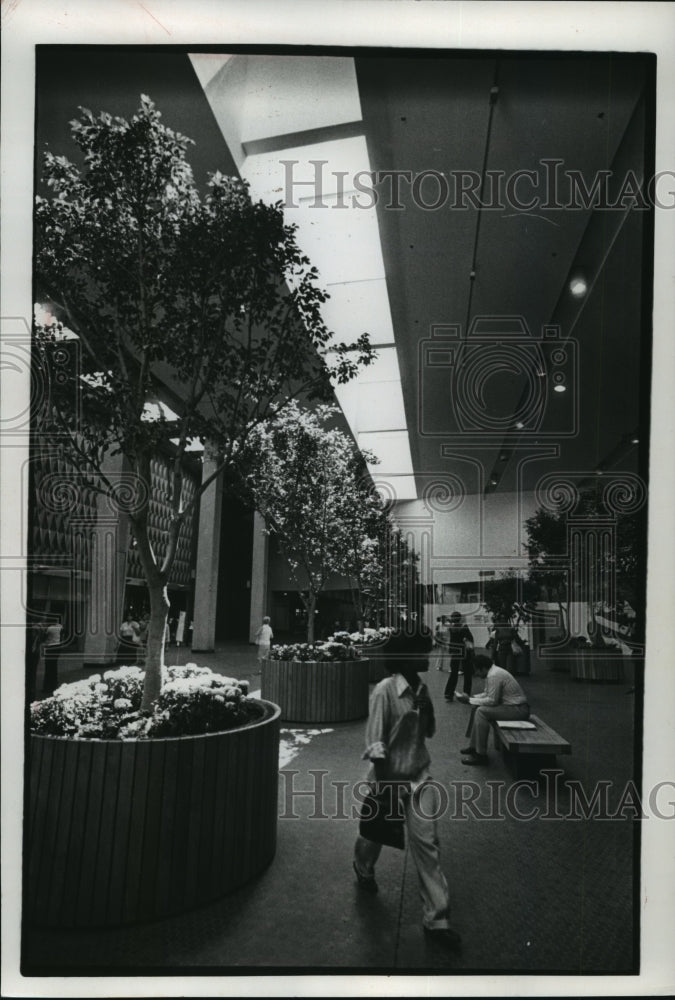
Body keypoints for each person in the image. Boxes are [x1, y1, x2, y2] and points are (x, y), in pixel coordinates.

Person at [352, 626, 461, 951]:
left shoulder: (422, 687)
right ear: (406, 656)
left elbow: (428, 733)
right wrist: (384, 780)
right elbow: (374, 739)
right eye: (421, 651)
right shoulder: (385, 690)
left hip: (419, 778)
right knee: (374, 836)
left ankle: (437, 920)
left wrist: (426, 710)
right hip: (388, 780)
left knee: (427, 844)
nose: (426, 656)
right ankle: (362, 865)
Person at [455, 654, 530, 766]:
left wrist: (469, 700)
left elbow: (492, 701)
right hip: (512, 707)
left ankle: (481, 755)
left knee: (481, 711)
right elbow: (487, 693)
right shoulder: (492, 672)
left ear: (483, 668)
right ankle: (474, 746)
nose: (476, 674)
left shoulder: (494, 675)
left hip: (518, 709)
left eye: (477, 671)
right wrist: (472, 698)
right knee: (477, 708)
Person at [443, 611, 475, 701]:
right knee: (467, 673)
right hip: (465, 652)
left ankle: (449, 694)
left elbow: (450, 640)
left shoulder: (451, 627)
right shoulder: (463, 627)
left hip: (455, 652)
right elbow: (470, 639)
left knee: (454, 673)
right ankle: (466, 693)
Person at [42, 619, 63, 694]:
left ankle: (47, 686)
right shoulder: (60, 626)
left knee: (48, 666)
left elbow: (44, 636)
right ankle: (54, 684)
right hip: (57, 647)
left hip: (50, 647)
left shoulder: (49, 628)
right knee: (54, 666)